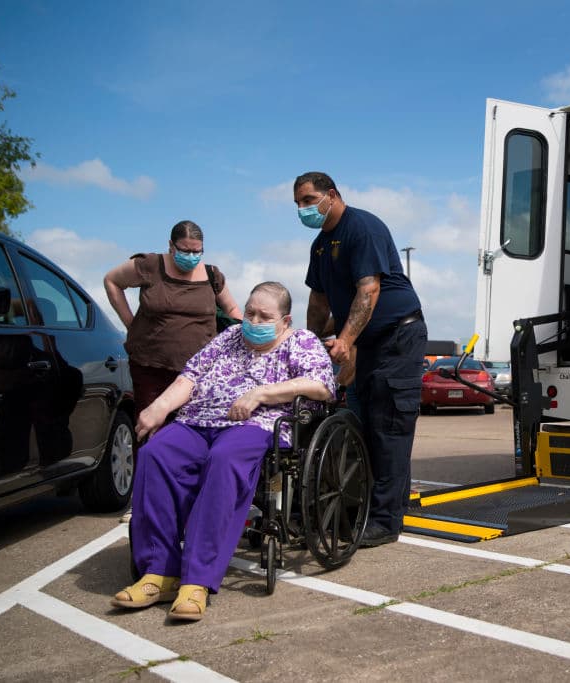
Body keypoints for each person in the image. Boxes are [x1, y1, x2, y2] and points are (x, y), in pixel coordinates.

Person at [110, 282, 335, 622]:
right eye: (249, 313)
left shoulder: (301, 342)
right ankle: (159, 572)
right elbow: (190, 376)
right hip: (198, 420)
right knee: (156, 452)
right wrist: (159, 406)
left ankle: (197, 580)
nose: (253, 321)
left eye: (264, 316)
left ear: (285, 320)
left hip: (257, 425)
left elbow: (321, 386)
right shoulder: (227, 339)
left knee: (225, 459)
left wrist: (262, 393)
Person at [295, 171, 426, 547]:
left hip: (398, 336)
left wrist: (344, 340)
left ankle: (385, 522)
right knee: (367, 425)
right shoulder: (320, 246)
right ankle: (389, 506)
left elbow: (369, 290)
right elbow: (319, 302)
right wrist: (309, 343)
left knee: (390, 427)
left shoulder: (361, 228)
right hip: (369, 343)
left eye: (308, 200)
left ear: (331, 195)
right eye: (298, 204)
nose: (303, 210)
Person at [104, 220, 242, 522]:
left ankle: (187, 500)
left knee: (193, 435)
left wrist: (246, 335)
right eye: (185, 250)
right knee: (150, 431)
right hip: (151, 365)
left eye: (197, 251)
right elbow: (111, 281)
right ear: (171, 246)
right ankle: (143, 503)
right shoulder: (149, 265)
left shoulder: (211, 275)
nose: (191, 256)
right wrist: (130, 324)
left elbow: (232, 311)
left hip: (197, 373)